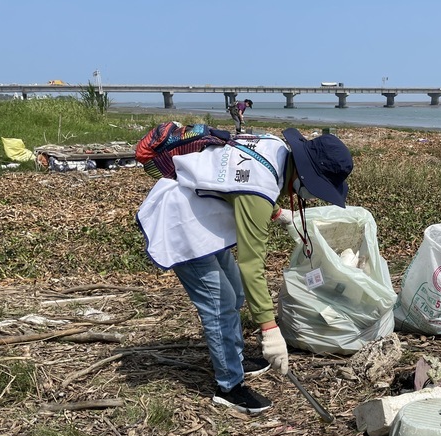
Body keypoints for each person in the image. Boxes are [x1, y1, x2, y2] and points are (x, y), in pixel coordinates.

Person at [136, 128, 353, 414]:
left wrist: (277, 213)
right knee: (220, 303)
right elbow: (252, 267)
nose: (314, 195)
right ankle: (229, 386)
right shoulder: (259, 193)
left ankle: (233, 358)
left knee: (235, 291)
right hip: (181, 222)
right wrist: (270, 329)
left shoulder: (275, 147)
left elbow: (239, 185)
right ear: (304, 175)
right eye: (316, 188)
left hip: (203, 213)